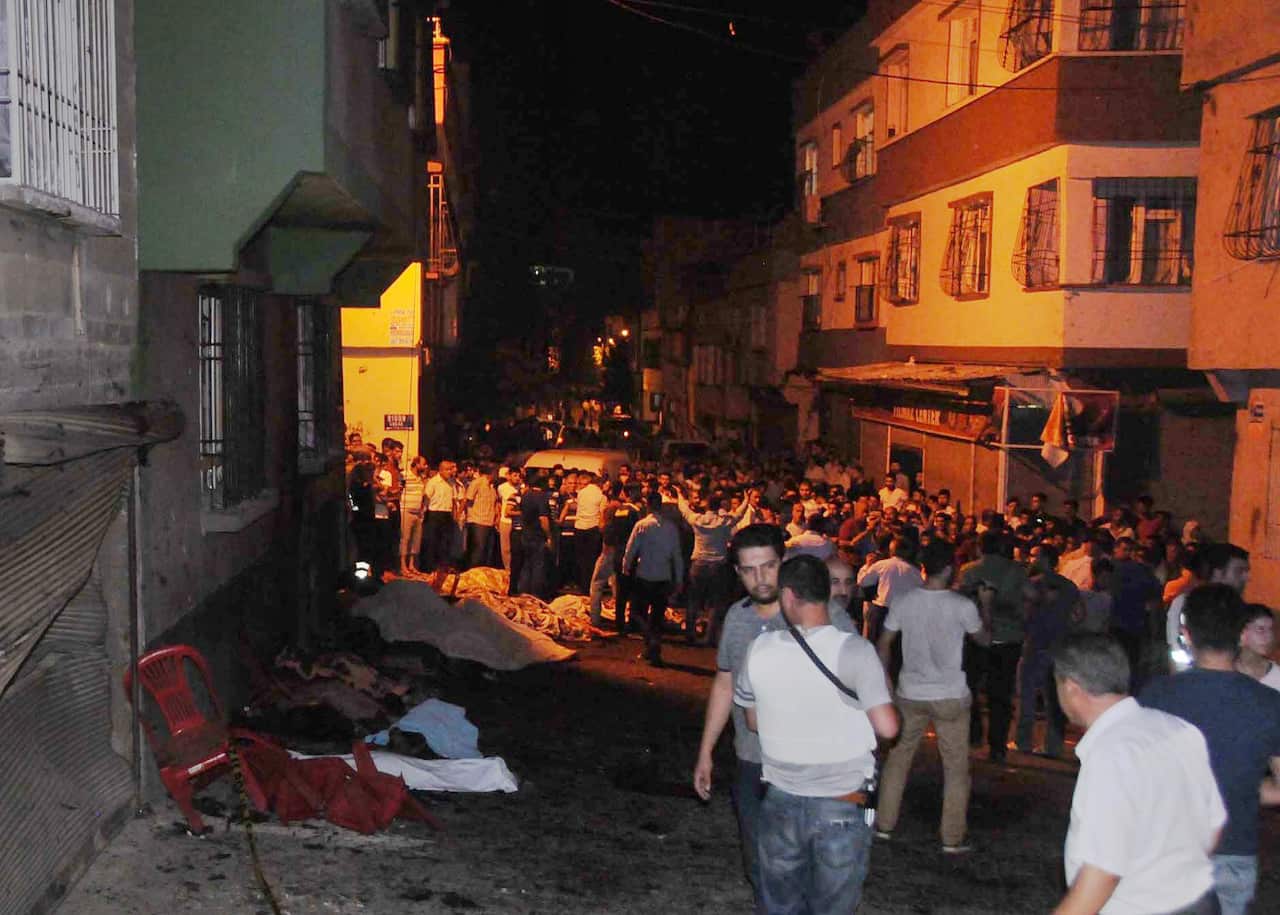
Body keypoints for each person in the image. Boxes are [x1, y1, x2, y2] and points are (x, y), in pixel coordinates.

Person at [733, 554, 898, 915]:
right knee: (834, 904)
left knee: (779, 902)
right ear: (827, 592)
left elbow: (753, 722)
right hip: (842, 800)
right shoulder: (855, 650)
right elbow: (888, 727)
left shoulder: (760, 648)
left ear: (788, 595)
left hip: (781, 796)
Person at [1051, 633, 1225, 915]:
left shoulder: (1111, 754)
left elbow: (1102, 872)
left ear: (1071, 688)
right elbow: (1212, 825)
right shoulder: (1178, 728)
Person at [1140, 585, 1280, 915]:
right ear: (1241, 633)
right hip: (1235, 847)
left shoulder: (1156, 695)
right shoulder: (1269, 703)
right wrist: (1243, 788)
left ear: (1187, 634)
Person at [874, 541, 990, 853]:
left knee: (898, 759)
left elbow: (884, 642)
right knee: (955, 767)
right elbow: (984, 639)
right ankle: (951, 837)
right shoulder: (961, 605)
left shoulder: (905, 600)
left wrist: (886, 680)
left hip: (910, 691)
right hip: (950, 693)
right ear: (950, 568)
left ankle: (884, 824)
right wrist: (985, 605)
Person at [957, 530, 1027, 762]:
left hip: (976, 636)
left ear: (980, 547)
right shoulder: (1016, 570)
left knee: (969, 687)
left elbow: (960, 602)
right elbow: (1029, 597)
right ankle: (997, 746)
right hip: (1008, 638)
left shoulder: (969, 570)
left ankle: (974, 733)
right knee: (1001, 694)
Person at [1017, 543, 1078, 758]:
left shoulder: (1032, 585)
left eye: (1036, 556)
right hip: (1060, 644)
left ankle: (1024, 741)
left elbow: (1023, 614)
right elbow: (1078, 615)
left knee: (1028, 695)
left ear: (1043, 560)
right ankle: (1054, 745)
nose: (1032, 560)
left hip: (1036, 642)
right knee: (1055, 698)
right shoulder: (1069, 586)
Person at [676, 486, 753, 645]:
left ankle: (690, 634)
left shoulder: (697, 520)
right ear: (719, 507)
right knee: (716, 603)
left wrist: (679, 494)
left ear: (707, 506)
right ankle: (710, 637)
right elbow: (739, 514)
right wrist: (746, 499)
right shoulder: (724, 521)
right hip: (718, 566)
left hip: (699, 564)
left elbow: (684, 510)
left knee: (694, 600)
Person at [622, 491, 684, 666]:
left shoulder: (641, 525)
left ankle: (651, 641)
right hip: (664, 576)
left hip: (644, 574)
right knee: (657, 616)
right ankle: (651, 649)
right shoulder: (671, 527)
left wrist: (626, 566)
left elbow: (631, 548)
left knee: (637, 612)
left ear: (648, 505)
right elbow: (677, 555)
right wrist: (679, 579)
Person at [1166, 543, 1250, 672]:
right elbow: (1177, 650)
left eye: (1247, 571)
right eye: (1239, 571)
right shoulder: (1186, 603)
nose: (1247, 578)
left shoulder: (1240, 607)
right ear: (1218, 572)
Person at [855, 537, 922, 644]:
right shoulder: (914, 571)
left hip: (882, 610)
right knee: (897, 648)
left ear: (891, 550)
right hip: (904, 614)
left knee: (877, 645)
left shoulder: (882, 564)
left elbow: (863, 581)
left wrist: (867, 566)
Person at [573, 471, 606, 594]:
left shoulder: (581, 493)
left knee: (581, 559)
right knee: (592, 560)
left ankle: (582, 586)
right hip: (593, 529)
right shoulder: (601, 496)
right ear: (600, 484)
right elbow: (602, 515)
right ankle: (590, 587)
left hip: (579, 527)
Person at [421, 458, 457, 574]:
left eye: (450, 470)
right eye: (447, 470)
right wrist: (424, 513)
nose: (449, 472)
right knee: (432, 541)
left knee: (445, 542)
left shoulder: (451, 483)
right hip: (434, 513)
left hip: (446, 514)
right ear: (440, 470)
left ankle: (443, 567)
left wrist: (454, 515)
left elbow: (453, 499)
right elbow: (426, 499)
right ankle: (429, 567)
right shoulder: (433, 482)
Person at [462, 461, 499, 569]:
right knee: (478, 551)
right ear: (491, 472)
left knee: (486, 553)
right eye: (496, 472)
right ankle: (472, 573)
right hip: (477, 521)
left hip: (489, 522)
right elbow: (467, 500)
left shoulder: (492, 487)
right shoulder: (477, 483)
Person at [1237, 603, 1280, 691]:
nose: (1269, 636)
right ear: (1241, 632)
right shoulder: (1225, 670)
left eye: (1270, 629)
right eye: (1260, 629)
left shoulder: (1277, 676)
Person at [399, 455, 428, 577]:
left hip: (418, 512)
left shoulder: (422, 478)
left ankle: (411, 565)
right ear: (416, 464)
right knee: (405, 539)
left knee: (415, 540)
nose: (426, 466)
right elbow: (399, 489)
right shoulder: (405, 475)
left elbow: (423, 495)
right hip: (406, 510)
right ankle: (402, 566)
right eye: (423, 464)